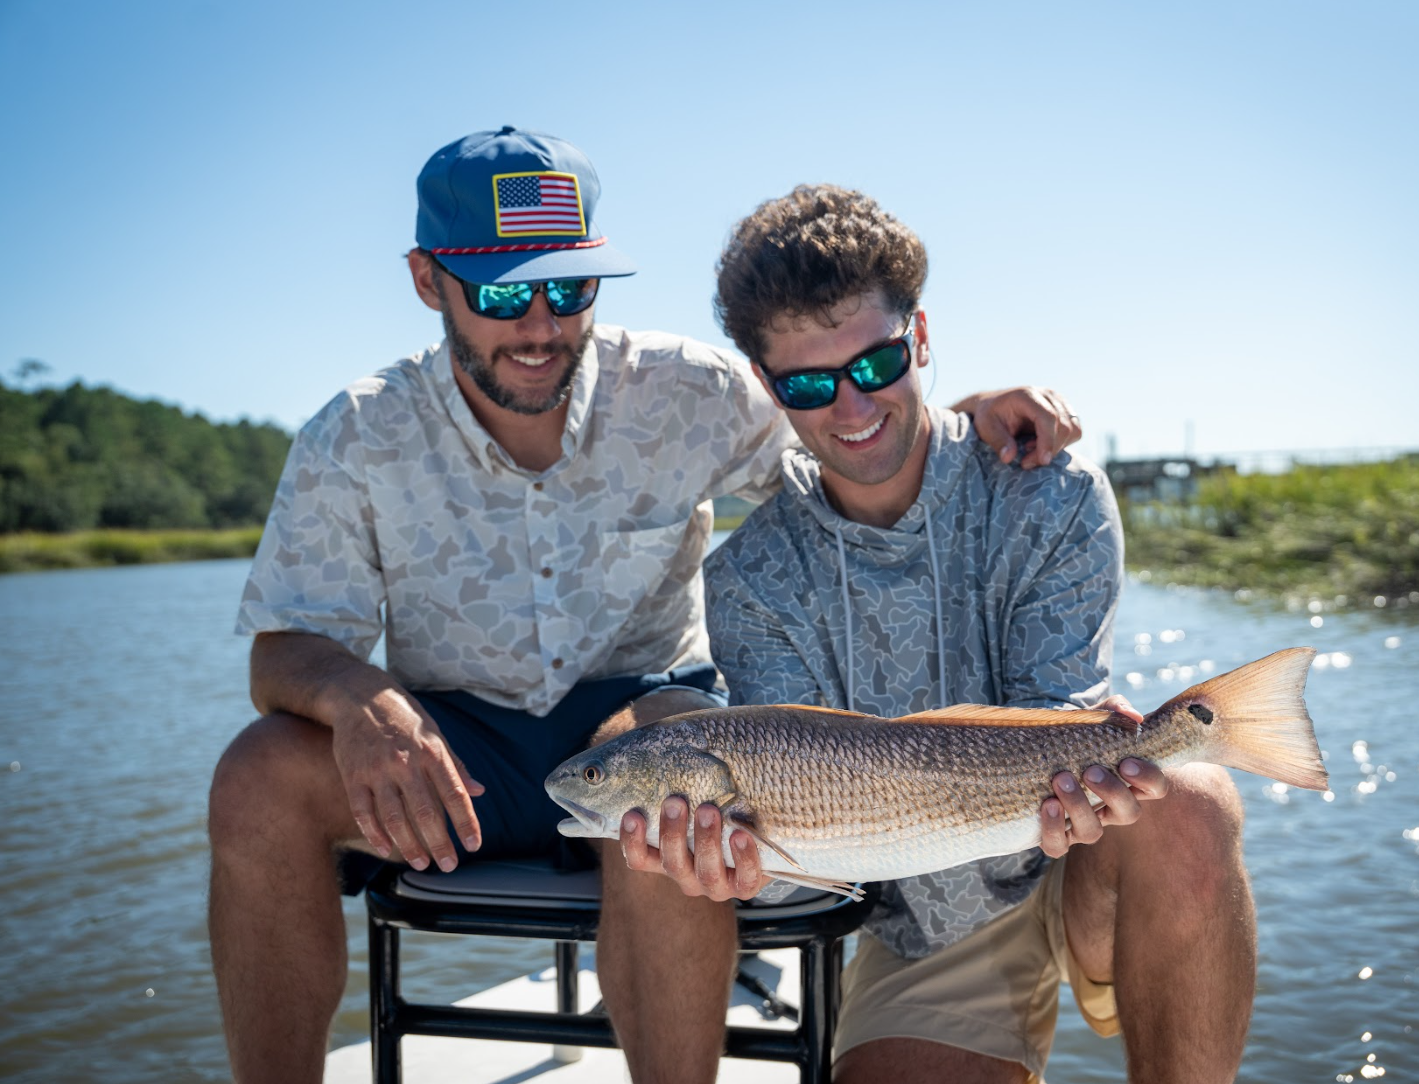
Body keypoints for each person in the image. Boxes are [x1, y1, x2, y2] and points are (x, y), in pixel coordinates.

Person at [206, 127, 1085, 1083]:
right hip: (455, 753)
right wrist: (352, 698)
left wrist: (967, 406)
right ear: (428, 280)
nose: (540, 325)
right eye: (501, 293)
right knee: (256, 775)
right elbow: (281, 650)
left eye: (568, 287)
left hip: (651, 704)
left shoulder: (687, 389)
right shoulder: (352, 433)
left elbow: (847, 423)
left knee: (672, 785)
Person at [622, 184, 1256, 1083]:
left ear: (919, 339)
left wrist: (1098, 776)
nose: (849, 407)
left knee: (1190, 795)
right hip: (931, 929)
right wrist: (738, 868)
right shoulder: (749, 576)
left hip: (1080, 862)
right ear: (768, 387)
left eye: (876, 364)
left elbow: (1056, 717)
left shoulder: (1053, 488)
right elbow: (809, 850)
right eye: (807, 383)